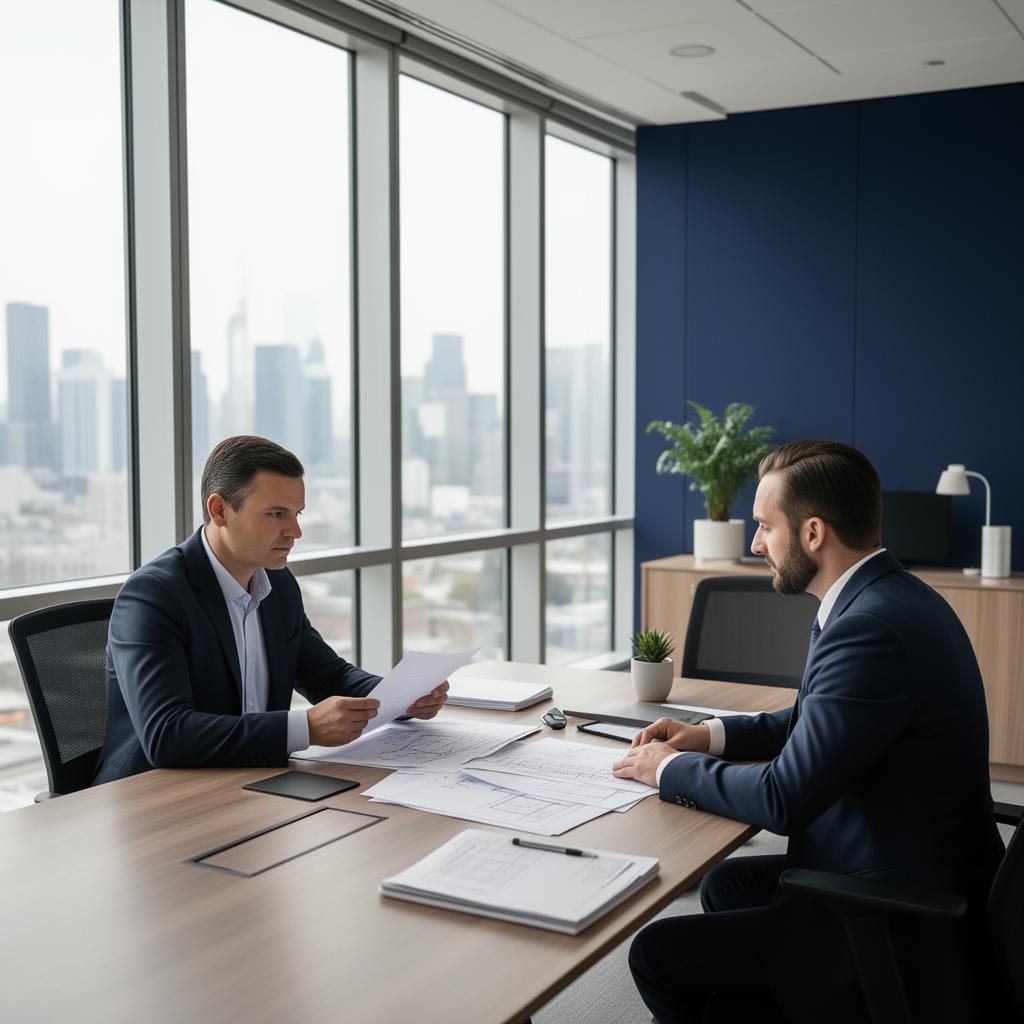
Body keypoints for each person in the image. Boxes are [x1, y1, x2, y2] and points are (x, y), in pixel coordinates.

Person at [613, 440, 1002, 1023]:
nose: (755, 543)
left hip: (904, 911)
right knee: (724, 886)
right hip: (910, 859)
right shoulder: (888, 598)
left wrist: (666, 769)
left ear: (813, 533)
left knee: (653, 953)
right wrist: (707, 735)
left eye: (766, 526)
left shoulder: (868, 628)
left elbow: (782, 798)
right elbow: (809, 721)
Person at [93, 435, 447, 784]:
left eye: (297, 514)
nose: (295, 531)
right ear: (219, 510)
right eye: (276, 514)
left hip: (250, 779)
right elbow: (167, 734)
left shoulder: (277, 584)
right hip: (153, 794)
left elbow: (326, 675)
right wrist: (305, 727)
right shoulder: (154, 595)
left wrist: (398, 697)